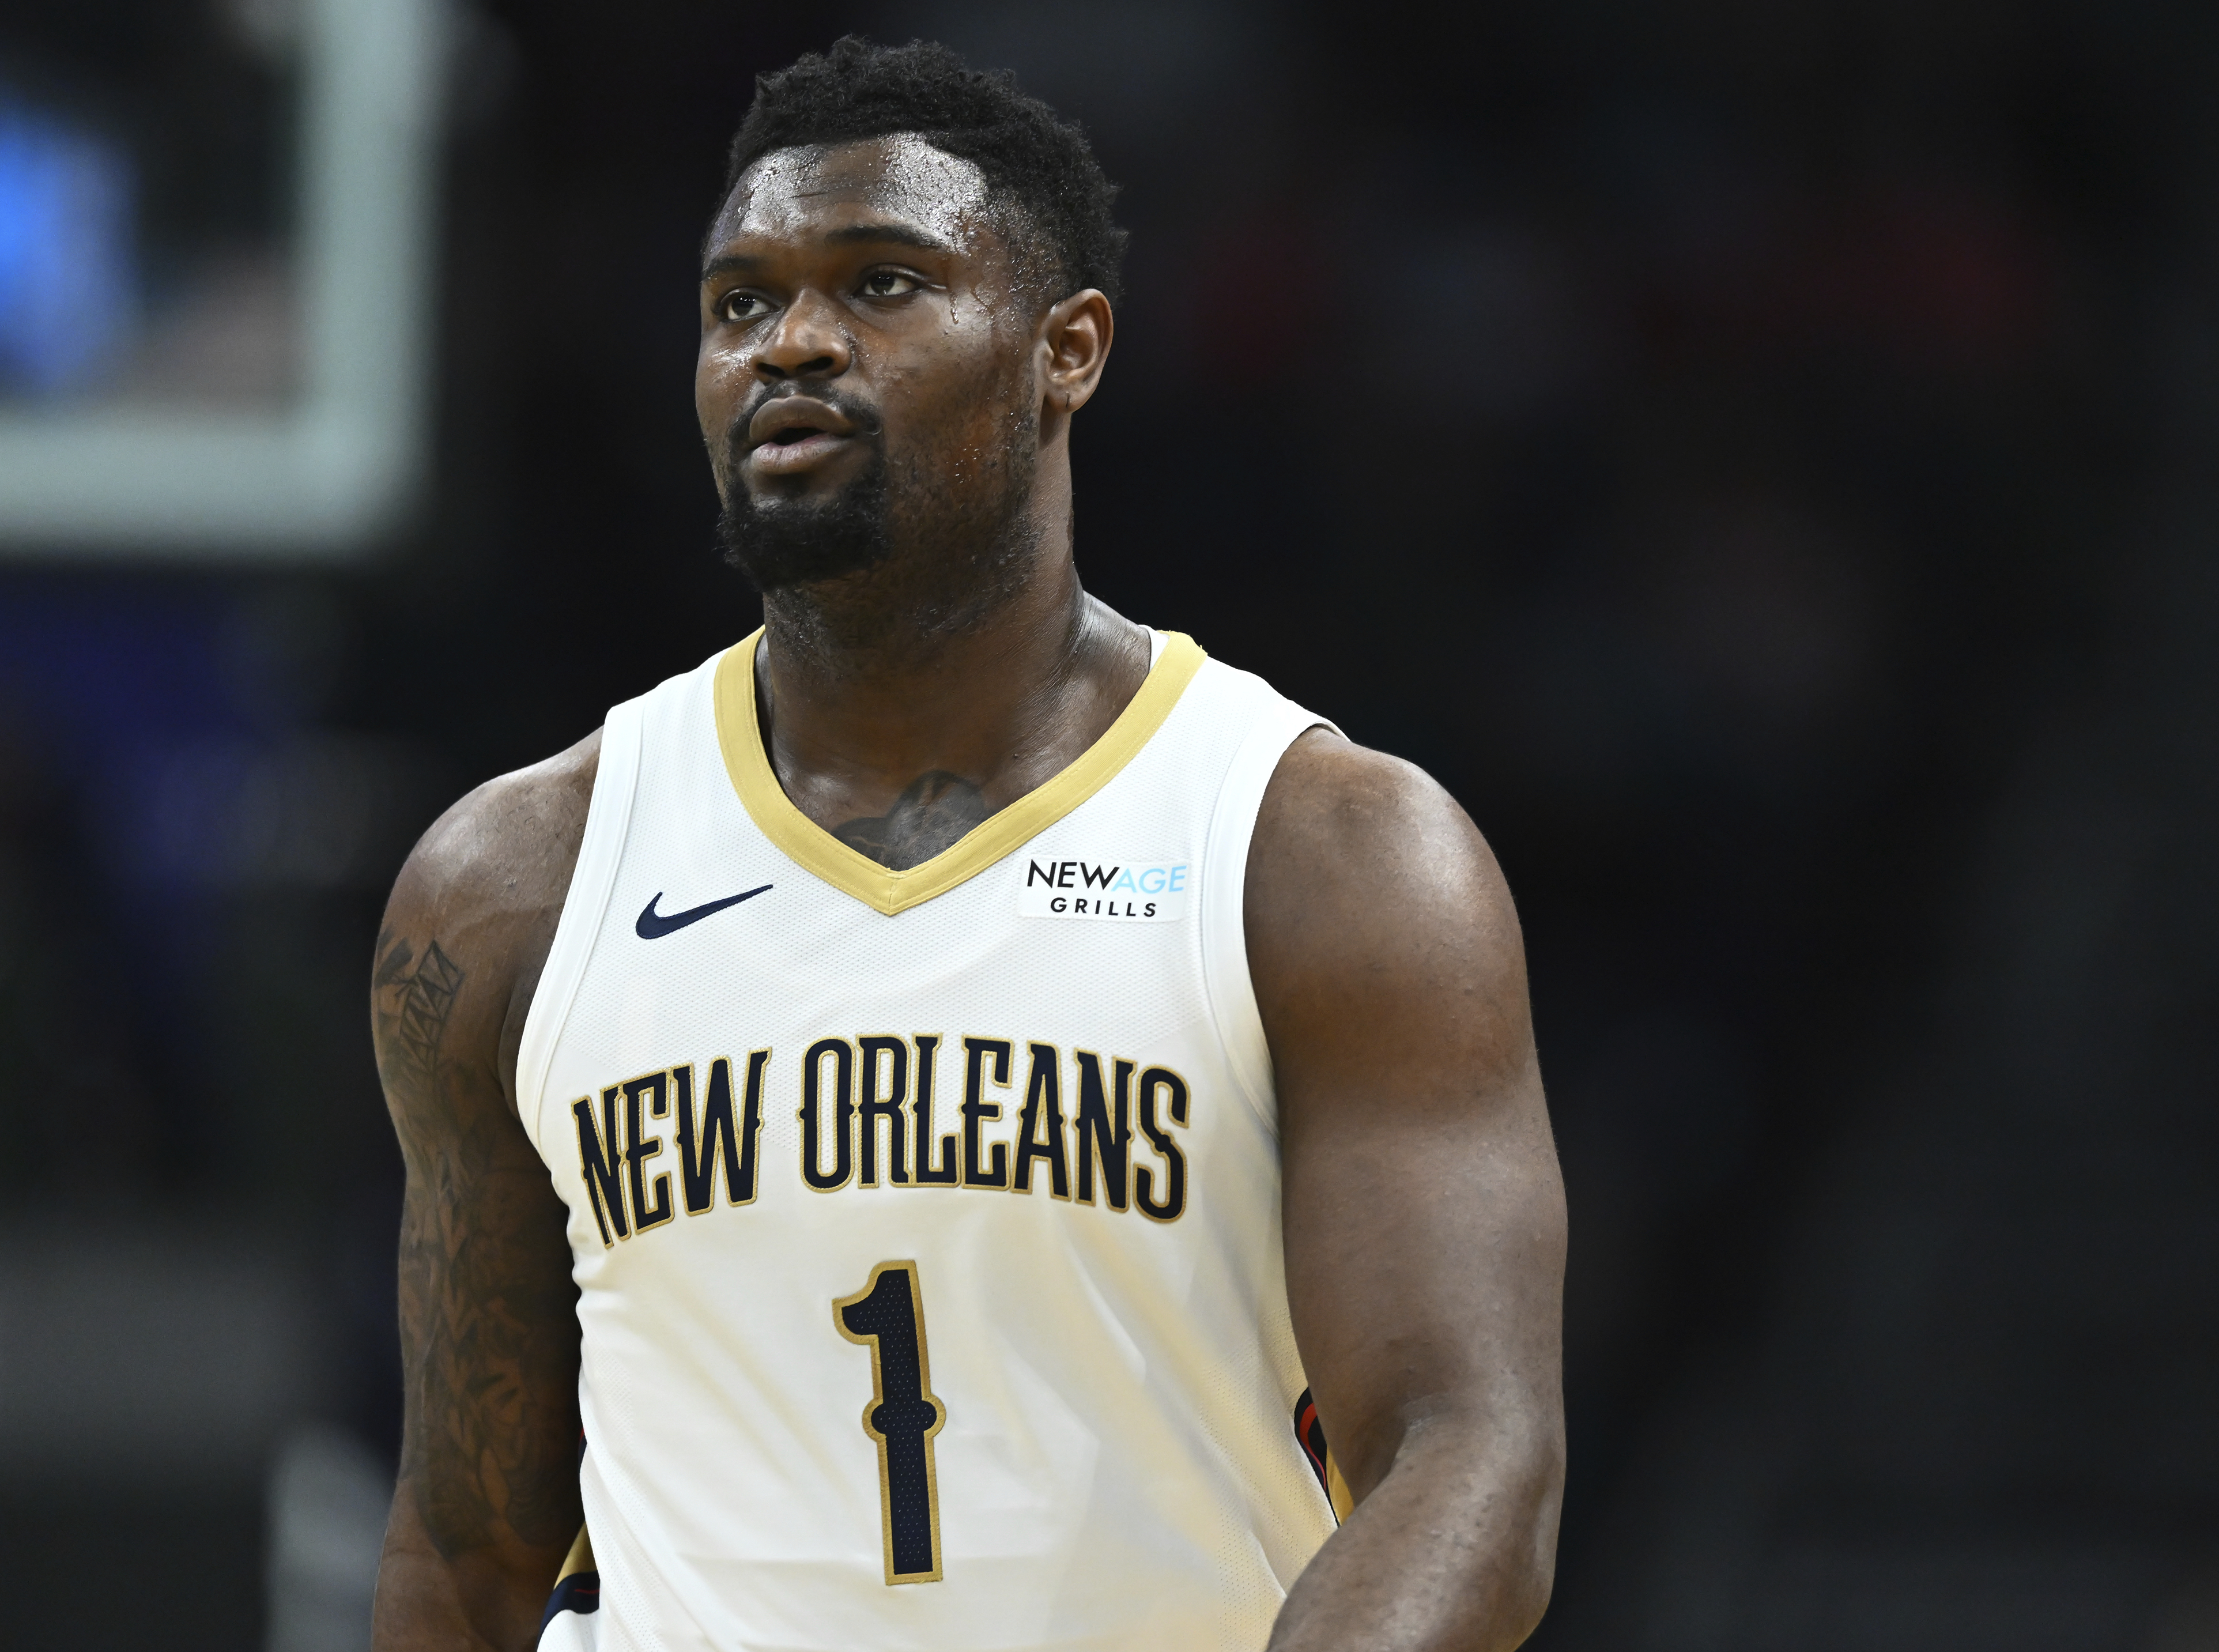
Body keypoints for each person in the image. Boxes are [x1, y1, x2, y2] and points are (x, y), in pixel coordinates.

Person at [369, 36, 1564, 1652]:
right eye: (739, 303)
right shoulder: (512, 881)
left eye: (880, 283)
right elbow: (465, 1545)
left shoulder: (1319, 849)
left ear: (1064, 349)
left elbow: (1466, 1454)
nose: (791, 340)